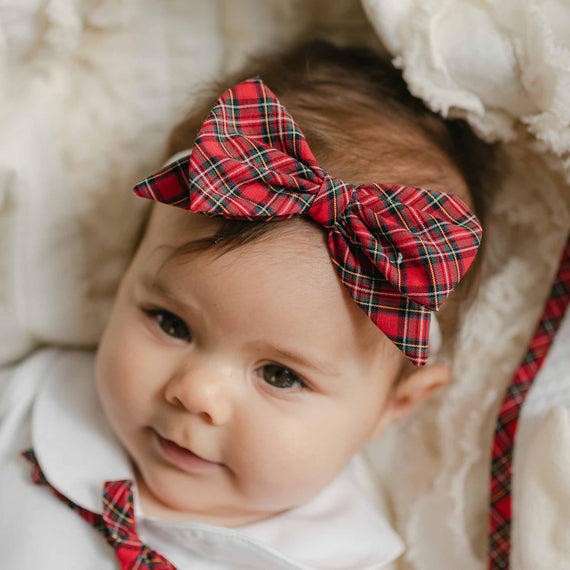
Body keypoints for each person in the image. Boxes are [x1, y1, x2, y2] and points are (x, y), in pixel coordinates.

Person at [0, 41, 495, 569]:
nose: (195, 393)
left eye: (279, 375)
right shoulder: (33, 405)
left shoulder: (344, 557)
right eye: (170, 323)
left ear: (392, 408)